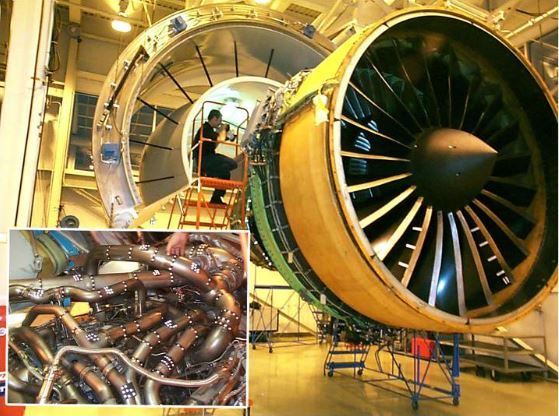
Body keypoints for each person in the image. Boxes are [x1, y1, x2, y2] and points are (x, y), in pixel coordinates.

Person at [192, 109, 238, 205]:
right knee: (232, 163)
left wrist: (223, 134)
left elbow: (215, 144)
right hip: (204, 159)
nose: (220, 123)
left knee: (225, 173)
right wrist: (223, 129)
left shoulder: (209, 130)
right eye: (220, 120)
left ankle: (216, 198)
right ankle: (206, 173)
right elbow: (220, 139)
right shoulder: (205, 129)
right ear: (214, 118)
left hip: (207, 159)